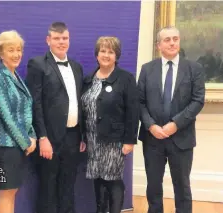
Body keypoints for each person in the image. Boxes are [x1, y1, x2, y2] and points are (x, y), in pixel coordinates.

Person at [138, 26, 205, 213]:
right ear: (159, 45)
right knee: (153, 186)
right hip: (153, 138)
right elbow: (139, 102)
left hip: (181, 138)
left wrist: (175, 124)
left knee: (182, 186)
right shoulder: (147, 69)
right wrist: (151, 126)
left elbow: (198, 100)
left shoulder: (194, 69)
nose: (172, 43)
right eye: (167, 39)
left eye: (175, 38)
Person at [25, 22, 86, 213]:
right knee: (48, 187)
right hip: (49, 138)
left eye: (65, 38)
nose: (62, 42)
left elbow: (79, 102)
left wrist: (82, 135)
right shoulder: (37, 64)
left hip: (73, 137)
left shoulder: (76, 67)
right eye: (57, 38)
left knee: (68, 185)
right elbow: (35, 104)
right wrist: (42, 137)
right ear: (48, 40)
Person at [81, 36, 140, 213]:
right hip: (93, 139)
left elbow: (133, 112)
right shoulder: (88, 79)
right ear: (97, 54)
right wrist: (83, 136)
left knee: (112, 179)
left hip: (114, 140)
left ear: (117, 55)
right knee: (98, 177)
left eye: (111, 52)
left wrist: (130, 140)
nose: (106, 55)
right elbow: (83, 109)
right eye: (103, 51)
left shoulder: (126, 79)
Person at [0, 30, 36, 213]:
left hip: (19, 145)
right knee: (7, 192)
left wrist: (33, 137)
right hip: (7, 145)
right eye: (10, 50)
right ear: (1, 53)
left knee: (12, 191)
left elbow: (26, 112)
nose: (16, 54)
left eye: (18, 50)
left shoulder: (17, 78)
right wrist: (26, 142)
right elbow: (7, 117)